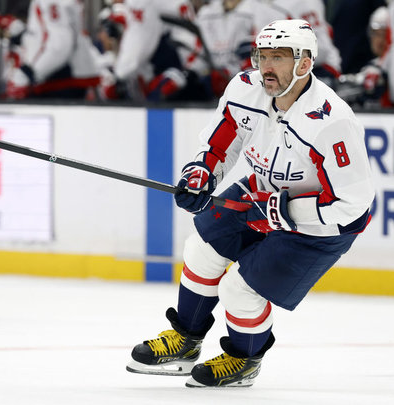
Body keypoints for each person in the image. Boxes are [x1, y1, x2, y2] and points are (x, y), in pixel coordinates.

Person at [126, 19, 374, 387]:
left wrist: (282, 211)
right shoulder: (245, 88)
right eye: (262, 56)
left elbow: (352, 206)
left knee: (238, 289)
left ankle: (244, 359)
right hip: (263, 191)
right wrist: (202, 173)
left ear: (305, 63)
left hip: (321, 226)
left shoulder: (331, 121)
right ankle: (186, 340)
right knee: (201, 249)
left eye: (279, 57)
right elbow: (220, 142)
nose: (266, 67)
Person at [6, 0, 101, 99]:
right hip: (65, 75)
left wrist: (29, 73)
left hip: (59, 79)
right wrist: (23, 36)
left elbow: (60, 45)